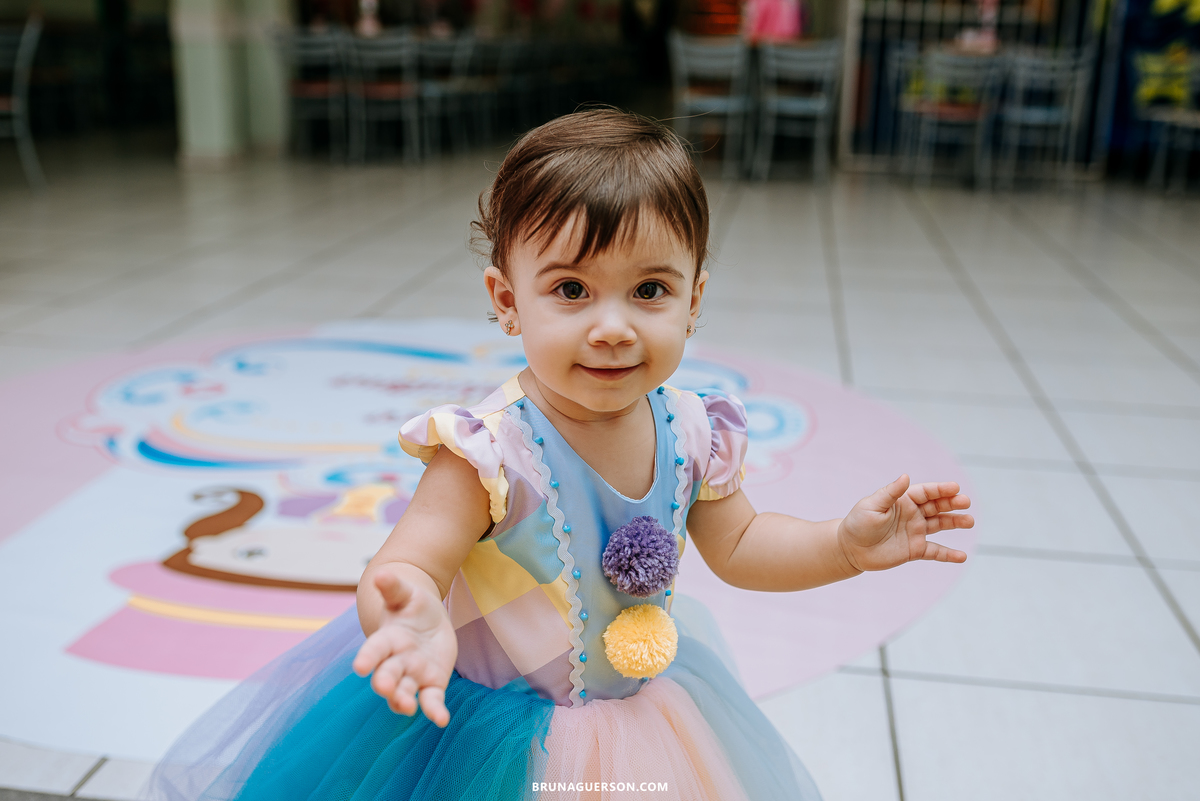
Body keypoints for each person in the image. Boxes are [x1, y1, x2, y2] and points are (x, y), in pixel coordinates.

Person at [148, 109, 972, 801]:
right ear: (508, 300)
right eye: (571, 290)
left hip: (643, 722)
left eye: (649, 290)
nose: (612, 325)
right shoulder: (486, 450)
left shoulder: (692, 431)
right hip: (489, 737)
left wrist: (844, 546)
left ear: (694, 300)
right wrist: (408, 617)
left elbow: (745, 545)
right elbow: (411, 564)